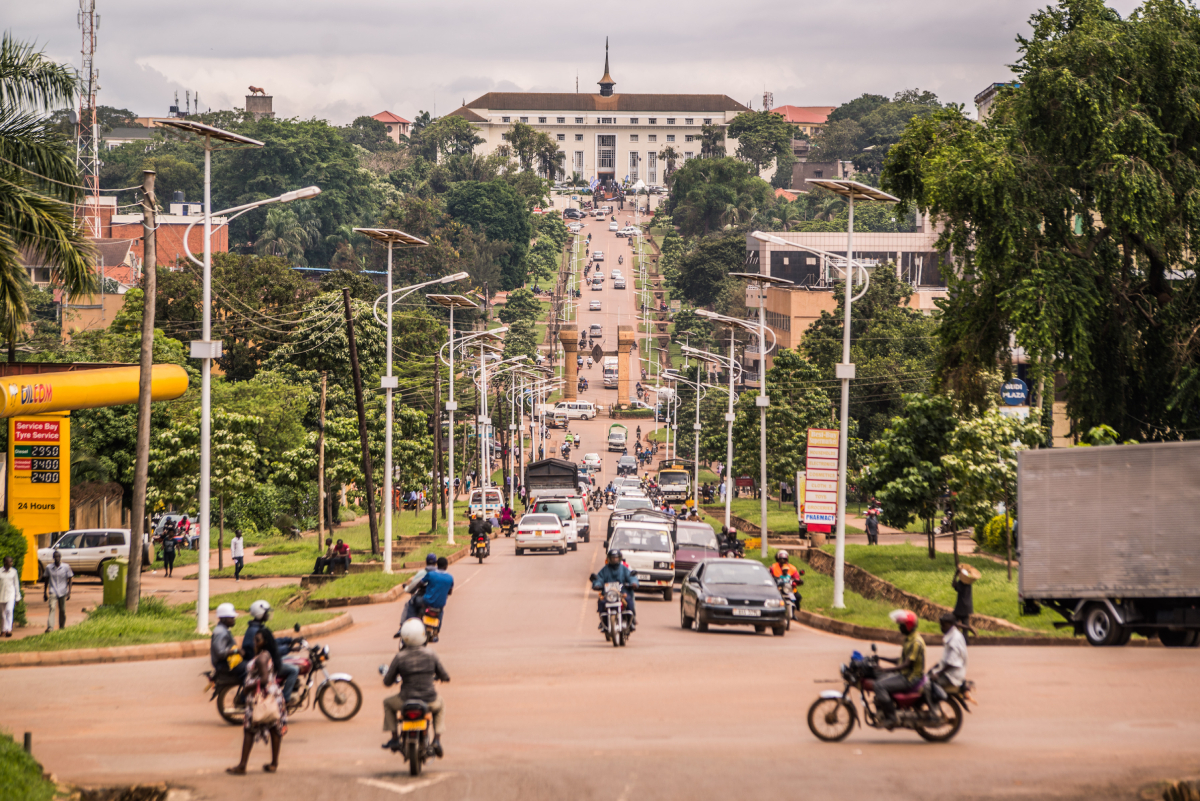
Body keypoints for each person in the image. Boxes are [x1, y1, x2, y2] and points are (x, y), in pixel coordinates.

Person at [382, 618, 451, 756]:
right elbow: (445, 675)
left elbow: (388, 681)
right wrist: (443, 678)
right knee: (440, 705)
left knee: (387, 703)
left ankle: (395, 738)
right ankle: (436, 740)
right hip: (429, 700)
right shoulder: (431, 654)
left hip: (405, 700)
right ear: (423, 636)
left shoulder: (399, 657)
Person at [227, 629, 286, 775]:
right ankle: (273, 763)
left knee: (249, 729)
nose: (255, 642)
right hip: (272, 695)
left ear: (264, 641)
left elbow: (264, 679)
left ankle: (242, 765)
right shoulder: (266, 655)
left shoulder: (261, 658)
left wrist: (248, 687)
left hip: (261, 696)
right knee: (274, 727)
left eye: (257, 640)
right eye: (255, 640)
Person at [873, 609, 926, 727]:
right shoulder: (909, 639)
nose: (899, 628)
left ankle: (892, 717)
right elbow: (900, 660)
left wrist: (884, 669)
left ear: (908, 626)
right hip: (905, 675)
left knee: (879, 685)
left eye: (901, 625)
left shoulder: (916, 642)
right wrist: (881, 658)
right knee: (879, 679)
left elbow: (906, 664)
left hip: (911, 678)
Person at [241, 600, 298, 705]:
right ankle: (285, 698)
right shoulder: (256, 632)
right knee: (294, 670)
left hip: (264, 659)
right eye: (266, 613)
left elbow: (272, 642)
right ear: (260, 613)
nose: (268, 615)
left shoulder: (259, 628)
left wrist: (289, 640)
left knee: (292, 659)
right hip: (260, 663)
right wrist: (289, 649)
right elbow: (271, 650)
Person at [591, 549, 639, 629]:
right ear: (609, 558)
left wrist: (633, 583)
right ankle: (603, 621)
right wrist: (597, 584)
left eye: (616, 558)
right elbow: (599, 578)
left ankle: (631, 620)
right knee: (602, 602)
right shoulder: (605, 570)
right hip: (609, 594)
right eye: (613, 558)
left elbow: (631, 577)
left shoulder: (624, 569)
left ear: (619, 558)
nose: (614, 560)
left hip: (622, 593)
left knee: (629, 601)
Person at [929, 612, 968, 690]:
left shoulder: (955, 639)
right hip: (948, 672)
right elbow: (946, 659)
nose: (941, 627)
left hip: (952, 676)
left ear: (951, 625)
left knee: (927, 684)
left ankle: (932, 702)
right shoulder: (952, 635)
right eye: (941, 625)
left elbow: (952, 663)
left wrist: (938, 674)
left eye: (944, 625)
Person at [211, 603, 246, 683]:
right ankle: (245, 693)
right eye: (231, 618)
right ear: (223, 619)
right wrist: (237, 651)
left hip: (228, 661)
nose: (233, 620)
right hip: (223, 664)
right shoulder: (221, 632)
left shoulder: (223, 629)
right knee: (250, 669)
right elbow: (220, 652)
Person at [400, 554, 439, 626]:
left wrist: (407, 588)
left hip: (423, 598)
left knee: (409, 604)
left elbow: (413, 586)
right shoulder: (440, 575)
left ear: (426, 562)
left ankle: (403, 626)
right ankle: (437, 630)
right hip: (436, 601)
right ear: (435, 563)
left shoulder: (421, 573)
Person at [43, 550, 72, 632]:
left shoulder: (66, 567)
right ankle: (50, 627)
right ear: (53, 558)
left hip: (63, 591)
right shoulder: (49, 567)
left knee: (62, 610)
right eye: (55, 557)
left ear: (60, 557)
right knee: (52, 608)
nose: (57, 558)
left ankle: (62, 626)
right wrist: (45, 592)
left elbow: (70, 579)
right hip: (53, 591)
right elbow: (46, 579)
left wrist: (69, 592)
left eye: (58, 556)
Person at [952, 565, 976, 635]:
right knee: (965, 628)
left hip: (960, 607)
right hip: (968, 607)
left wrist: (955, 575)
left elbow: (953, 585)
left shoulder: (961, 583)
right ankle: (966, 640)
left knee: (953, 622)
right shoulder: (969, 584)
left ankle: (969, 629)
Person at [0, 555, 20, 637]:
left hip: (10, 594)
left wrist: (17, 597)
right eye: (10, 562)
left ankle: (9, 630)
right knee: (2, 614)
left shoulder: (14, 572)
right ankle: (3, 630)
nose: (11, 563)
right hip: (1, 595)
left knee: (9, 610)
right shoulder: (0, 571)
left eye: (12, 561)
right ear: (5, 562)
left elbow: (16, 584)